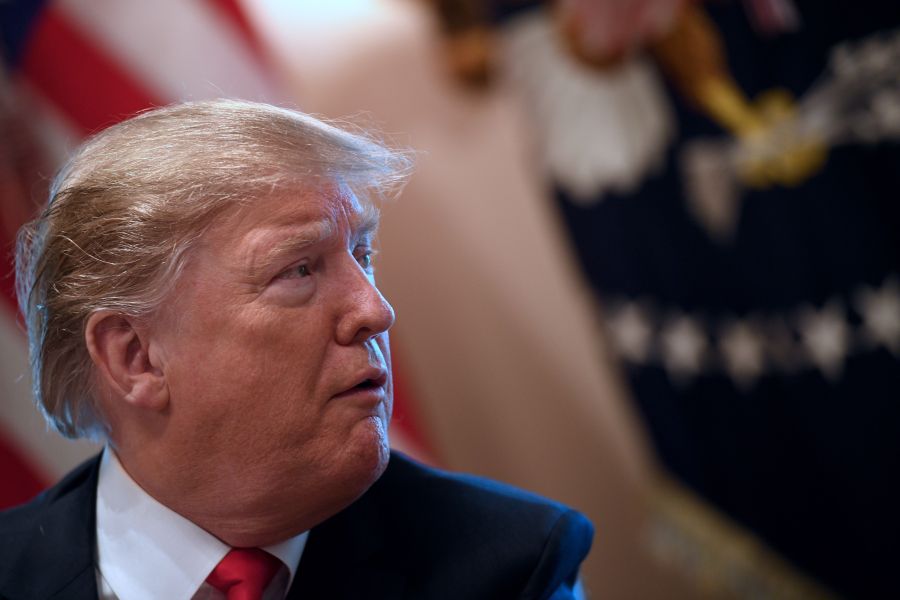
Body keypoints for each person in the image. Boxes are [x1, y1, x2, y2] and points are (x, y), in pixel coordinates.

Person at [0, 100, 593, 599]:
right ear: (136, 356)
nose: (375, 311)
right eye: (299, 270)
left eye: (363, 255)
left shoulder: (510, 564)